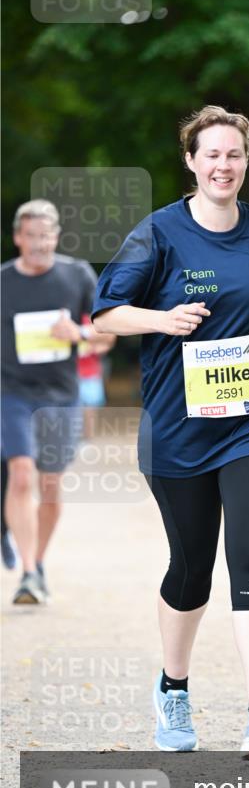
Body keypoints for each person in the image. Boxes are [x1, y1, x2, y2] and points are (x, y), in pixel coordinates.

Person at [92, 105, 249, 761]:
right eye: (211, 155)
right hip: (180, 429)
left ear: (247, 161)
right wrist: (161, 321)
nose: (223, 166)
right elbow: (106, 314)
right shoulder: (158, 233)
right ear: (191, 162)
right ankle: (173, 687)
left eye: (234, 155)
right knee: (192, 569)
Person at [1, 199, 114, 604]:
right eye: (30, 236)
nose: (38, 244)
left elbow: (109, 333)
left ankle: (39, 563)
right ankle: (28, 573)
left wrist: (79, 335)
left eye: (45, 235)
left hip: (60, 397)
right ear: (17, 238)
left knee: (50, 485)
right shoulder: (3, 282)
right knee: (20, 475)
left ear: (56, 236)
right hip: (11, 393)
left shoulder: (77, 275)